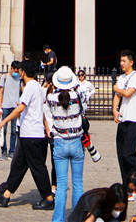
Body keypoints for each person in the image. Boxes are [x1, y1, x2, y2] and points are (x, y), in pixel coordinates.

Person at [0, 57, 54, 210]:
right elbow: (40, 111)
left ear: (23, 71)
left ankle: (48, 198)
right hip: (31, 133)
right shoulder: (38, 87)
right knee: (18, 166)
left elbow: (20, 108)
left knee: (37, 167)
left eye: (20, 70)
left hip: (31, 134)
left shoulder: (30, 87)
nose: (18, 72)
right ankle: (6, 195)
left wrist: (4, 121)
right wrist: (46, 128)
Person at [46, 66, 87, 222]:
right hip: (76, 142)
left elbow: (47, 114)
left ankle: (58, 219)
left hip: (60, 142)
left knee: (61, 186)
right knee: (78, 183)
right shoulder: (78, 96)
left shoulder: (51, 98)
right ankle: (78, 218)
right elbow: (84, 102)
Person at [112, 50, 136, 189]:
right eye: (120, 61)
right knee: (121, 155)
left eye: (124, 61)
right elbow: (117, 97)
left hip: (135, 118)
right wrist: (114, 109)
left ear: (131, 62)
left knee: (129, 154)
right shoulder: (121, 78)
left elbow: (126, 93)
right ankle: (128, 185)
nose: (122, 64)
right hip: (123, 118)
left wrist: (115, 88)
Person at [0, 61, 22, 159]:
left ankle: (12, 151)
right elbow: (1, 92)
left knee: (13, 131)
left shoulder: (19, 78)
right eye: (15, 70)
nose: (16, 72)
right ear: (11, 68)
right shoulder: (4, 77)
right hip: (5, 106)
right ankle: (3, 151)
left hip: (15, 107)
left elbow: (21, 91)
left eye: (17, 71)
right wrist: (0, 107)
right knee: (3, 130)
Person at [75, 69, 100, 162]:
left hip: (84, 103)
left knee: (83, 117)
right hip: (78, 102)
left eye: (82, 75)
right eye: (79, 75)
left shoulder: (87, 84)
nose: (81, 76)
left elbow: (93, 90)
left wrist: (88, 94)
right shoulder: (76, 83)